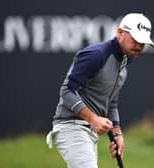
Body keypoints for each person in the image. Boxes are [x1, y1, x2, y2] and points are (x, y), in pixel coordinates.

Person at [46, 13, 154, 168]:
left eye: (143, 42)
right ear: (120, 33)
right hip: (71, 126)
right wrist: (93, 119)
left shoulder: (124, 62)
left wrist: (117, 133)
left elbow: (112, 101)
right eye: (135, 39)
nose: (139, 46)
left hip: (88, 131)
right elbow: (67, 90)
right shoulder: (97, 54)